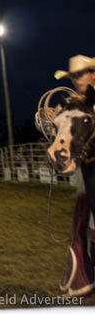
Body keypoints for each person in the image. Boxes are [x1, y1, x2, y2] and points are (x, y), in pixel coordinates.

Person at [52, 54, 95, 297]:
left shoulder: (87, 103)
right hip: (89, 174)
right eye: (74, 76)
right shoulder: (80, 103)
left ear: (93, 74)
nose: (77, 79)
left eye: (80, 74)